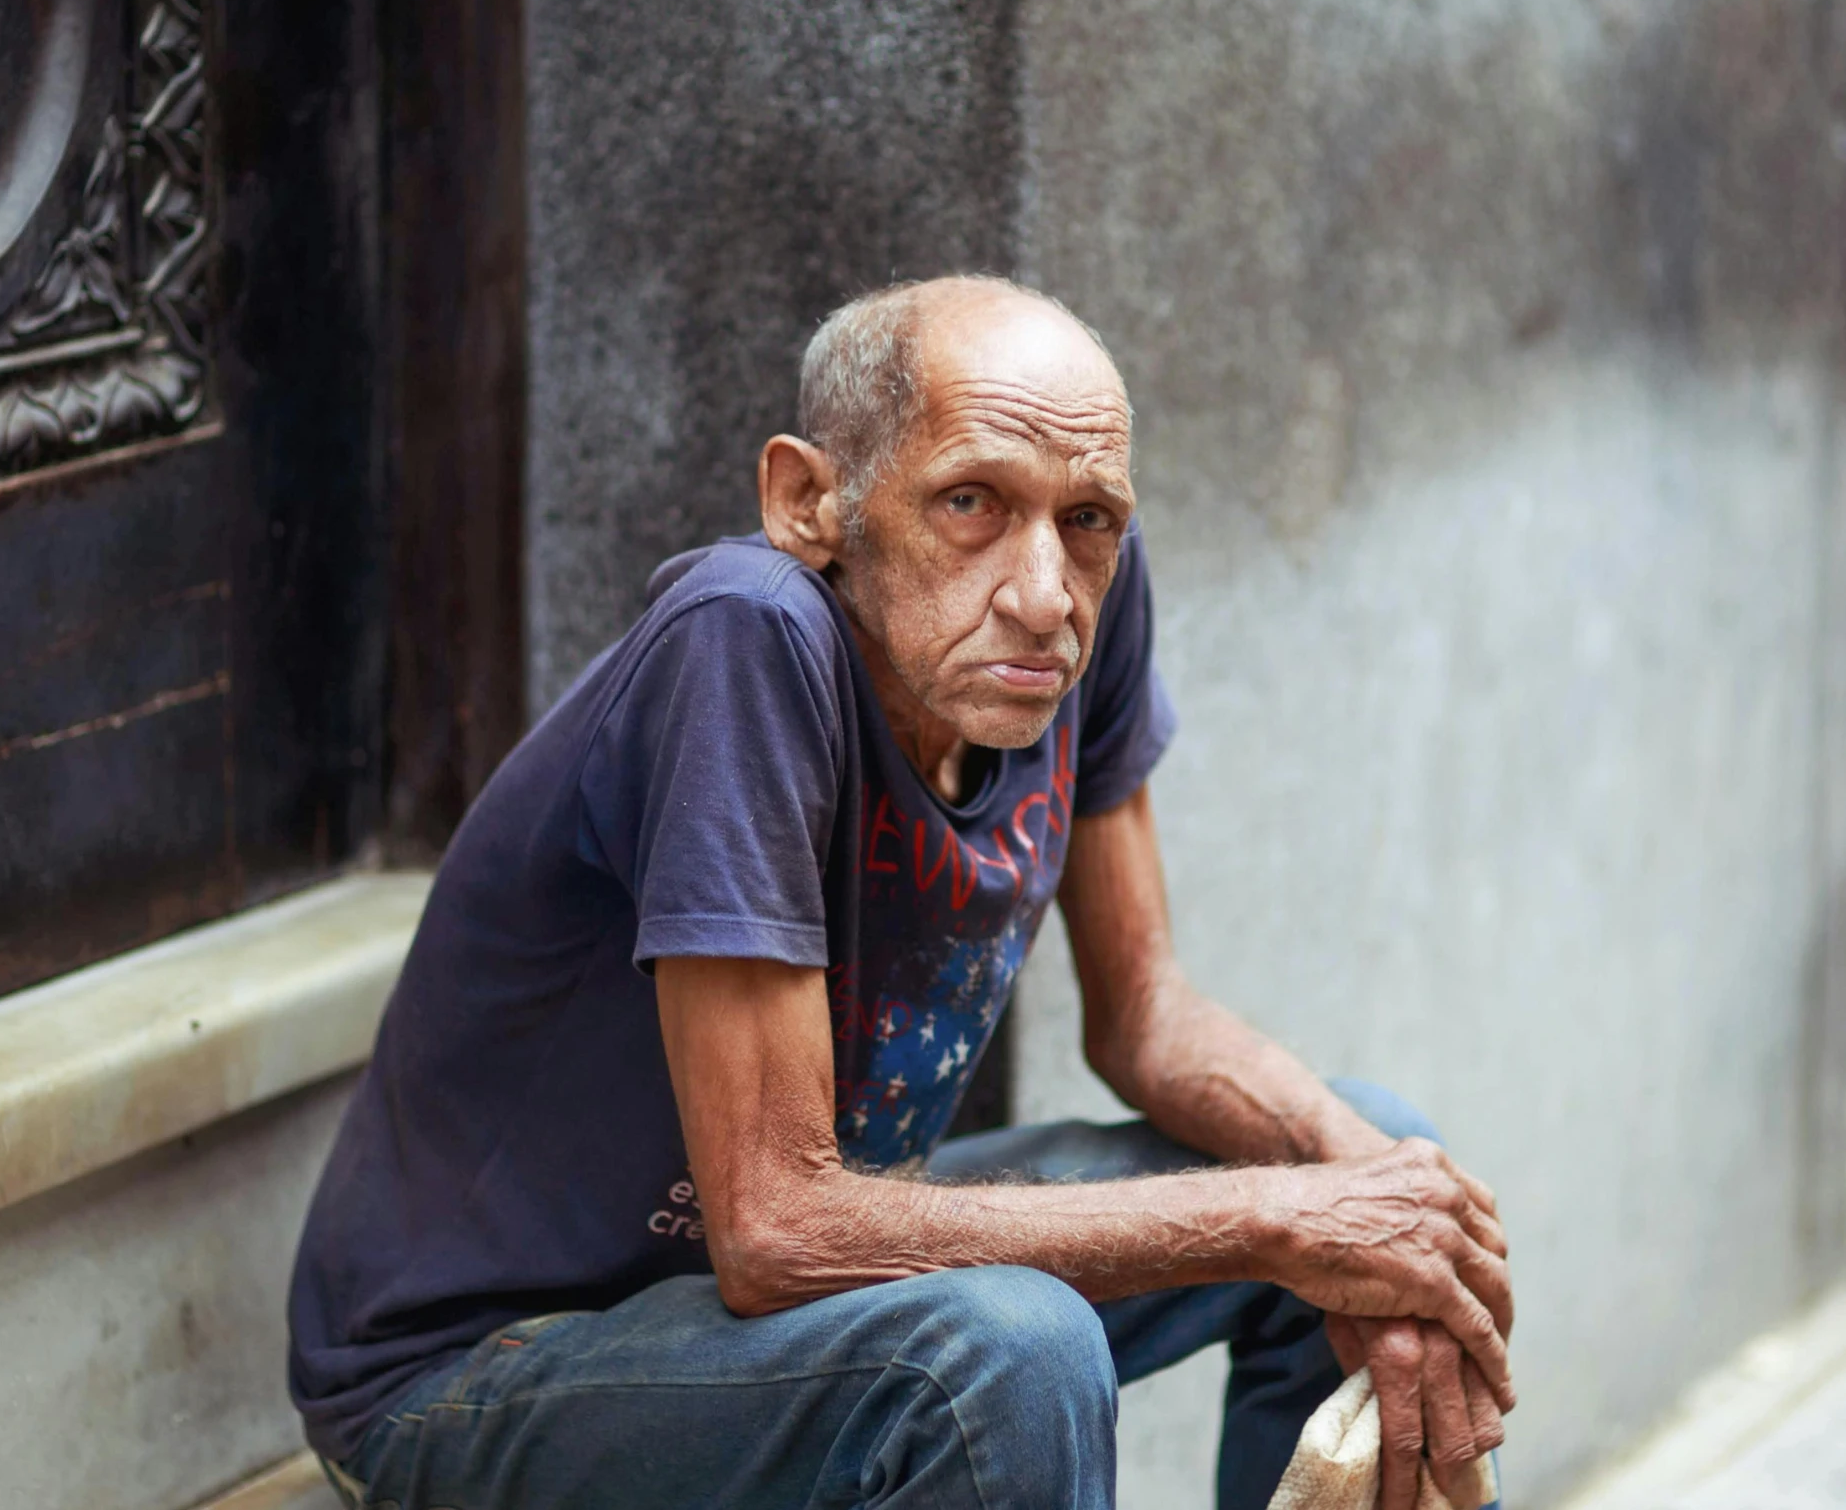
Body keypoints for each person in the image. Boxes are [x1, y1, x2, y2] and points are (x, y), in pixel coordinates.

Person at [288, 276, 1515, 1510]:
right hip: (478, 1371)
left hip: (792, 1309)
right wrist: (1282, 1216)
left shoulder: (1079, 606)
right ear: (808, 501)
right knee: (1007, 1350)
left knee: (1371, 1141)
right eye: (970, 502)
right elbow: (774, 1231)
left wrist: (1391, 1213)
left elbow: (1145, 1017)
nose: (1044, 593)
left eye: (1086, 516)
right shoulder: (747, 636)